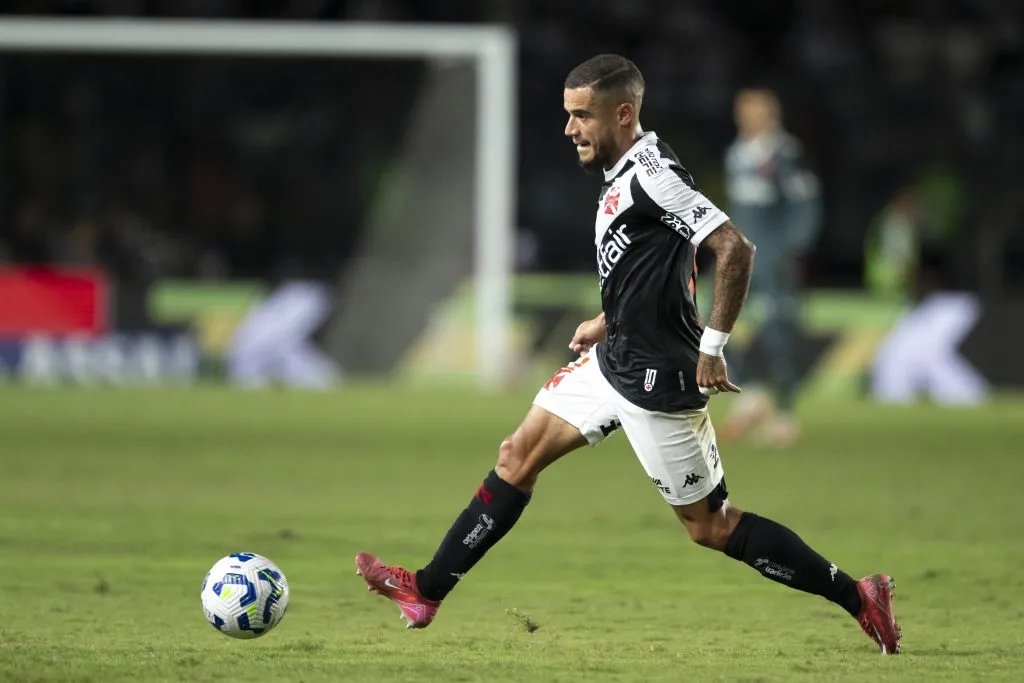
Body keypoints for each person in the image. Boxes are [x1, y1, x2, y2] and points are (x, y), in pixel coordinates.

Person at [354, 55, 901, 654]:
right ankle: (425, 590)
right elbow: (660, 266)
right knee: (516, 456)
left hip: (659, 379)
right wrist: (608, 317)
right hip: (614, 356)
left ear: (623, 112)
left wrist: (713, 348)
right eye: (568, 115)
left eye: (581, 115)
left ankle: (859, 595)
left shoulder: (653, 175)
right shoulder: (625, 171)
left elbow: (734, 248)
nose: (570, 129)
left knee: (710, 526)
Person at [720, 88, 822, 447]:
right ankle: (751, 399)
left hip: (773, 258)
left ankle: (784, 414)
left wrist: (792, 249)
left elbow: (806, 203)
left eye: (752, 111)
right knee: (717, 325)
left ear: (768, 114)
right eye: (741, 111)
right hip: (739, 259)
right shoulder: (736, 153)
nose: (744, 117)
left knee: (780, 332)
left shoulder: (784, 153)